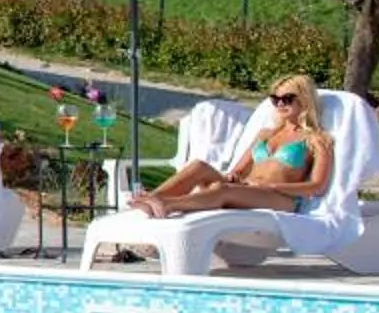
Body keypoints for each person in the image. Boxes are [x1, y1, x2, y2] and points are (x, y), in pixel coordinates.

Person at [125, 76, 331, 218]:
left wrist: (270, 186)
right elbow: (238, 170)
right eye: (275, 99)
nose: (279, 104)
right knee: (198, 166)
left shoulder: (316, 140)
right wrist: (234, 176)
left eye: (287, 99)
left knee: (222, 189)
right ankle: (154, 198)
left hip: (280, 198)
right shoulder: (266, 134)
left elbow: (317, 186)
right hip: (246, 188)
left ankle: (168, 206)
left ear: (304, 100)